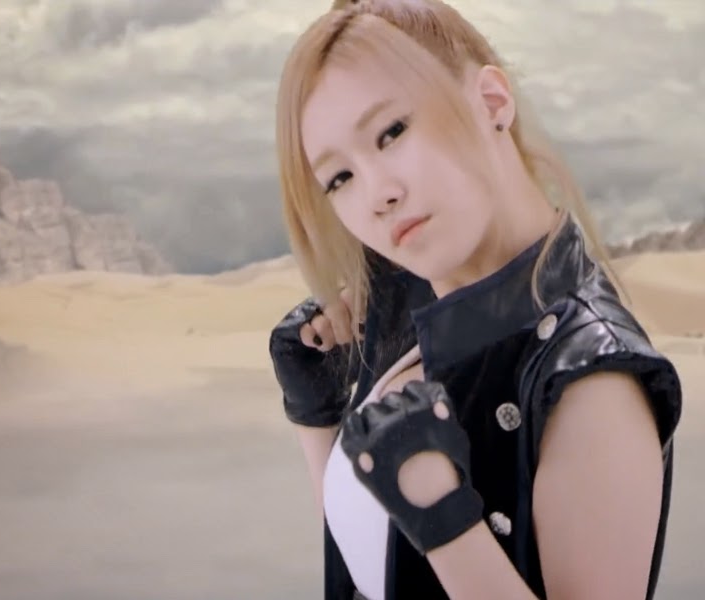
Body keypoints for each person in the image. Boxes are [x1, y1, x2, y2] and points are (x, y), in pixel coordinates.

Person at [268, 1, 683, 599]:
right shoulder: (402, 301)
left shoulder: (592, 381)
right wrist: (319, 416)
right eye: (340, 178)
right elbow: (372, 563)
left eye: (392, 132)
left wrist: (446, 522)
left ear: (492, 101)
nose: (377, 194)